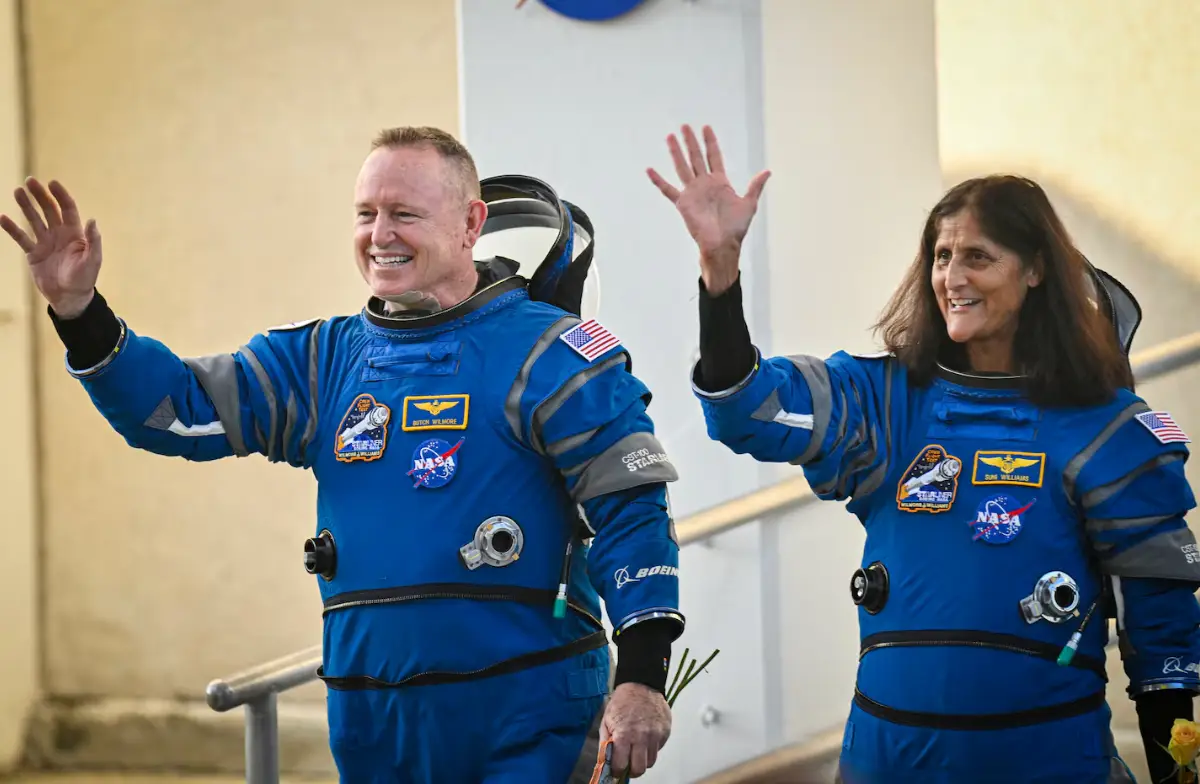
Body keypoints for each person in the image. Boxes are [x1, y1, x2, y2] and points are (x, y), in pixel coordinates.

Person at [2, 126, 683, 783]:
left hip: (531, 721)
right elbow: (177, 413)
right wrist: (81, 311)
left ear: (471, 223)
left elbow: (632, 513)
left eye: (404, 214)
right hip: (372, 723)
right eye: (366, 213)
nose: (379, 235)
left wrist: (642, 680)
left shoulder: (553, 354)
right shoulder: (323, 361)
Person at [647, 124, 1200, 784]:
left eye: (977, 257)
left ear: (1034, 270)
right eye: (941, 256)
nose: (952, 277)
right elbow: (749, 409)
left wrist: (1178, 768)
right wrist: (721, 273)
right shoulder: (884, 402)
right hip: (887, 762)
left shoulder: (1103, 427)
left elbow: (1160, 624)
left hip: (1046, 764)